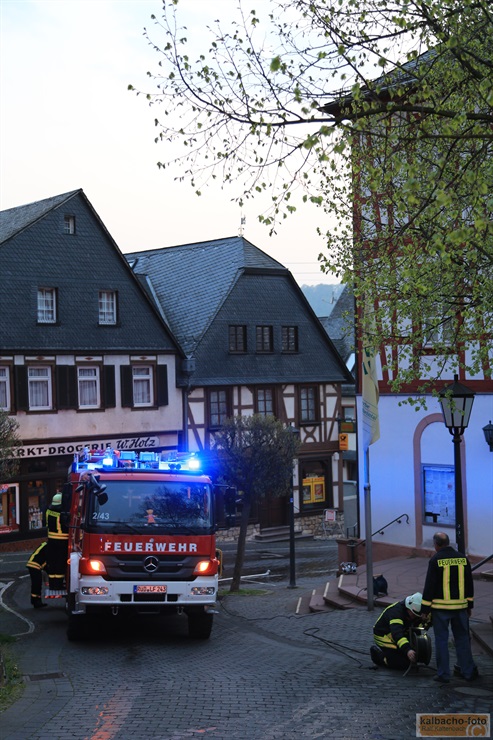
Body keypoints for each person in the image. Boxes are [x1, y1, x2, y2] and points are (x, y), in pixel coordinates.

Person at [421, 531, 477, 683]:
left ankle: (444, 674)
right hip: (460, 608)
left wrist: (425, 609)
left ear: (436, 545)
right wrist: (469, 605)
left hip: (441, 609)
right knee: (463, 639)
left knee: (441, 641)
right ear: (448, 543)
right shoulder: (463, 559)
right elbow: (469, 583)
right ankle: (468, 672)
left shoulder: (435, 560)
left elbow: (430, 586)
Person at [371, 592, 424, 669]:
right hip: (383, 636)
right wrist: (408, 650)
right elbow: (397, 634)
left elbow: (416, 629)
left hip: (398, 633)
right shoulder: (396, 613)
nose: (414, 617)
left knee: (409, 657)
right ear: (408, 608)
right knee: (402, 663)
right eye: (413, 615)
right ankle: (380, 657)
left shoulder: (412, 612)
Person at [45, 492, 69, 591]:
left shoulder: (48, 511)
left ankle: (52, 584)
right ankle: (58, 585)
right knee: (60, 563)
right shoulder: (63, 513)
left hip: (51, 540)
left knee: (52, 562)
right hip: (62, 540)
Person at [26, 541, 49, 608]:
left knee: (37, 584)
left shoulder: (45, 545)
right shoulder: (48, 547)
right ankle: (36, 602)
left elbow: (44, 561)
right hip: (35, 565)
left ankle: (36, 601)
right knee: (37, 584)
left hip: (34, 564)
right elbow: (47, 560)